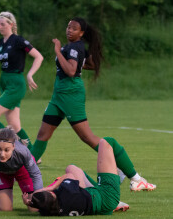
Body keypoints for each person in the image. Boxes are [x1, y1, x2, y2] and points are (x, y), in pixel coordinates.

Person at [29, 17, 156, 192]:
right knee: (42, 135)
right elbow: (89, 64)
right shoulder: (73, 47)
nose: (69, 30)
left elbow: (72, 71)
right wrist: (69, 57)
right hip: (58, 96)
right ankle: (22, 172)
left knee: (87, 137)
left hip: (71, 95)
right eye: (68, 27)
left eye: (74, 29)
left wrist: (57, 50)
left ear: (81, 33)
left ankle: (134, 177)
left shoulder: (74, 47)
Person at [0, 11, 44, 148]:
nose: (0, 27)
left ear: (11, 24)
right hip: (5, 82)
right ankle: (33, 155)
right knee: (14, 125)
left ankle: (8, 146)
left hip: (16, 84)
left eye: (3, 24)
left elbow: (39, 56)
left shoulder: (18, 40)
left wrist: (30, 74)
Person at [25, 138, 130, 216]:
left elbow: (38, 205)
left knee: (72, 167)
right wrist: (51, 187)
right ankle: (136, 178)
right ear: (51, 194)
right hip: (106, 197)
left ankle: (116, 177)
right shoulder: (66, 192)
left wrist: (30, 202)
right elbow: (68, 176)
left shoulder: (48, 210)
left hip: (95, 203)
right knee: (107, 142)